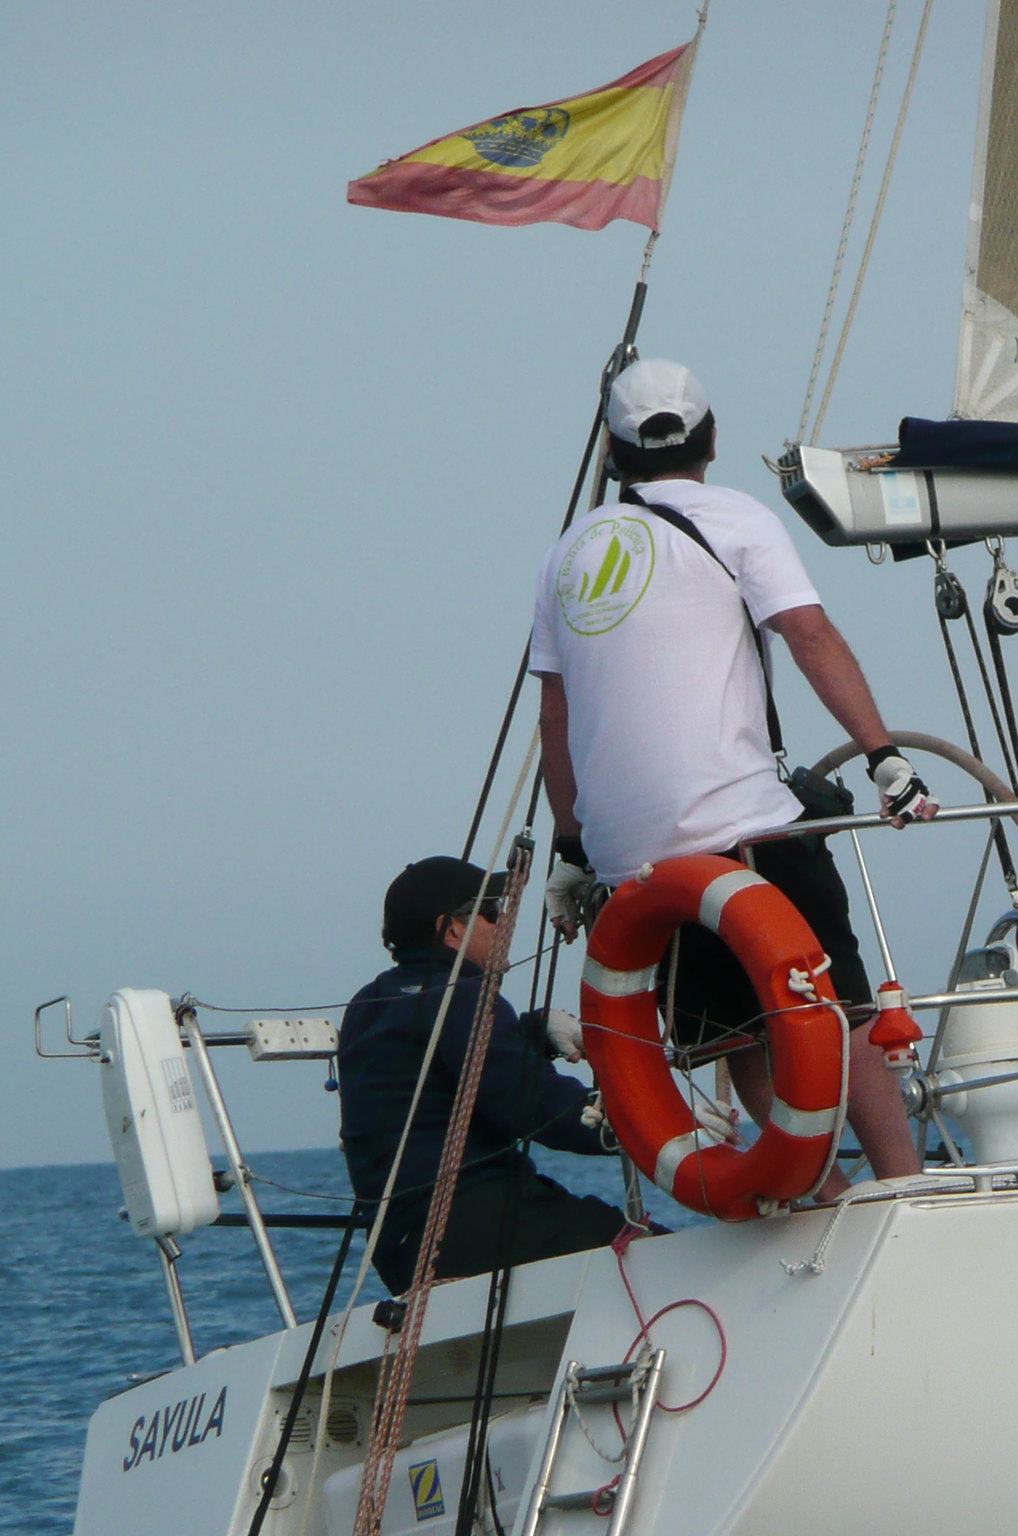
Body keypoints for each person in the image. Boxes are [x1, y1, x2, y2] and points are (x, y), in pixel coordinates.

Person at [530, 358, 931, 1194]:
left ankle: (813, 1196)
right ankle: (901, 1182)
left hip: (630, 862)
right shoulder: (736, 518)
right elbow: (809, 637)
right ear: (711, 439)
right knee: (838, 1008)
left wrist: (571, 847)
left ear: (611, 449)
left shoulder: (567, 554)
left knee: (734, 1033)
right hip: (741, 826)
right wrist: (883, 759)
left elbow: (556, 720)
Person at [337, 856, 641, 1293]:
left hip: (403, 1249)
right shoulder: (461, 998)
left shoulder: (370, 1003)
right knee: (653, 1252)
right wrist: (647, 1126)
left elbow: (439, 1076)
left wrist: (533, 1033)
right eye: (492, 913)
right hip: (473, 1225)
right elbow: (531, 1104)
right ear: (451, 929)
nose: (504, 927)